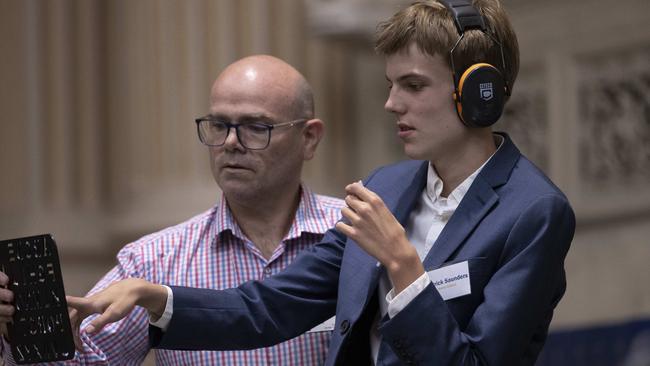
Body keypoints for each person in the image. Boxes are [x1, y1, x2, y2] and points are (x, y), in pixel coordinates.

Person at [64, 0, 576, 365]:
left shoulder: (534, 211)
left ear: (480, 93)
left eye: (414, 85)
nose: (392, 104)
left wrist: (403, 267)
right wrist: (159, 297)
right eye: (390, 85)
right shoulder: (388, 186)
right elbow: (267, 309)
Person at [0, 55, 344, 365]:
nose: (230, 143)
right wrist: (8, 331)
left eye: (256, 127)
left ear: (309, 138)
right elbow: (83, 361)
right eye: (220, 125)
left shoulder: (356, 234)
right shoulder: (153, 261)